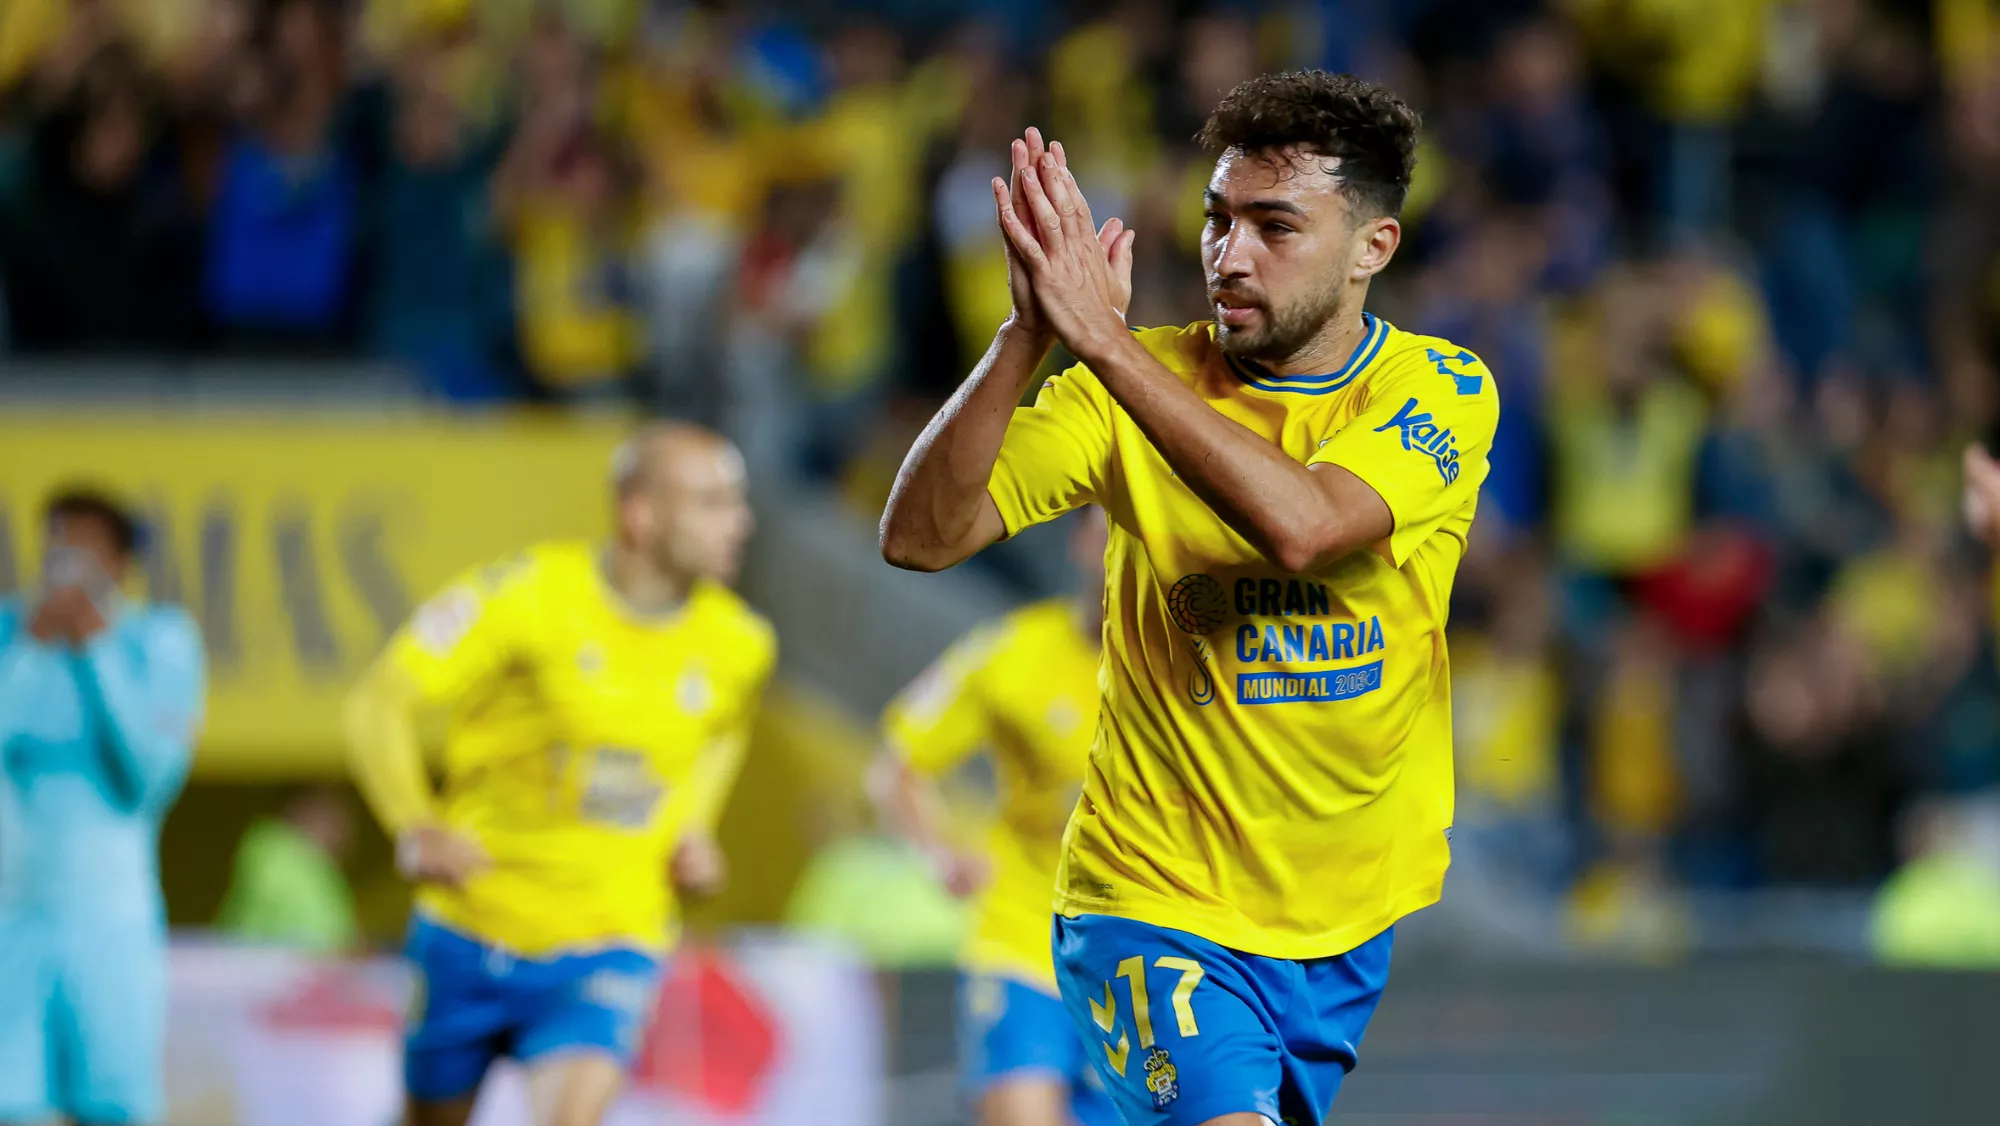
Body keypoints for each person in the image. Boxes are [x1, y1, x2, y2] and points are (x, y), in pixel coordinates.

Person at [879, 70, 1500, 1126]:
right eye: (1215, 220)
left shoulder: (1438, 391)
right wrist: (1024, 338)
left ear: (1371, 250)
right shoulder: (1123, 387)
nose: (1229, 253)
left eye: (1273, 224)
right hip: (1150, 899)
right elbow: (921, 535)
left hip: (1337, 921)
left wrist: (1106, 346)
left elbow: (1304, 526)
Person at [344, 422, 773, 1126]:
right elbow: (380, 702)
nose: (742, 522)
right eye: (713, 502)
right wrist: (413, 824)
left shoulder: (742, 646)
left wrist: (693, 827)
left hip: (610, 937)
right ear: (640, 514)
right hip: (471, 924)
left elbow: (723, 734)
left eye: (738, 500)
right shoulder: (525, 597)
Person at [872, 510, 1115, 1126]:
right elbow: (897, 764)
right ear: (1081, 542)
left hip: (1152, 949)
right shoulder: (1011, 652)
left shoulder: (1206, 673)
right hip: (1025, 930)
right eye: (1113, 528)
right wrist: (939, 853)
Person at [0, 488, 207, 1126]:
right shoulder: (12, 630)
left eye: (86, 544)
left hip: (112, 919)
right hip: (11, 917)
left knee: (114, 1106)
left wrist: (97, 649)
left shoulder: (160, 639)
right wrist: (32, 651)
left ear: (120, 562)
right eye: (58, 541)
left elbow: (148, 777)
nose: (67, 560)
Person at [214, 784, 361, 955]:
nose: (346, 825)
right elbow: (322, 935)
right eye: (334, 812)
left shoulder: (315, 865)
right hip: (266, 974)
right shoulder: (275, 857)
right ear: (302, 808)